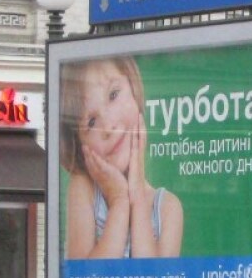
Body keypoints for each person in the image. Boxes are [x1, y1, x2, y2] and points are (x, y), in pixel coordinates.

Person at [61, 55, 184, 260]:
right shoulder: (83, 188)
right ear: (81, 147)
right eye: (91, 122)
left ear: (134, 90)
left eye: (113, 95)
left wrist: (136, 195)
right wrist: (119, 201)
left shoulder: (168, 208)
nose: (108, 127)